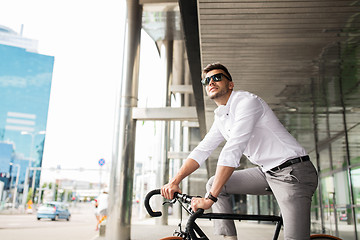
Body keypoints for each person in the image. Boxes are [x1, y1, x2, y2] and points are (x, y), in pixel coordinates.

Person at [161, 62, 318, 240]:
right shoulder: (221, 116)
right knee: (214, 184)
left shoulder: (246, 102)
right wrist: (175, 181)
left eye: (217, 77)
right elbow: (202, 150)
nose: (211, 82)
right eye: (207, 81)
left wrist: (210, 199)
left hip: (293, 172)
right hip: (267, 172)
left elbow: (232, 150)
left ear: (230, 84)